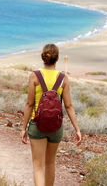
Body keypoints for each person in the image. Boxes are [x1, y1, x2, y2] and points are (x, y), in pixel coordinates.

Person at [21, 44, 81, 186]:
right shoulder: (63, 78)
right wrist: (77, 129)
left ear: (43, 58)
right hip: (56, 127)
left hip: (37, 125)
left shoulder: (34, 76)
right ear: (57, 59)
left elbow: (29, 104)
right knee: (50, 163)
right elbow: (68, 106)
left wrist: (23, 128)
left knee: (38, 166)